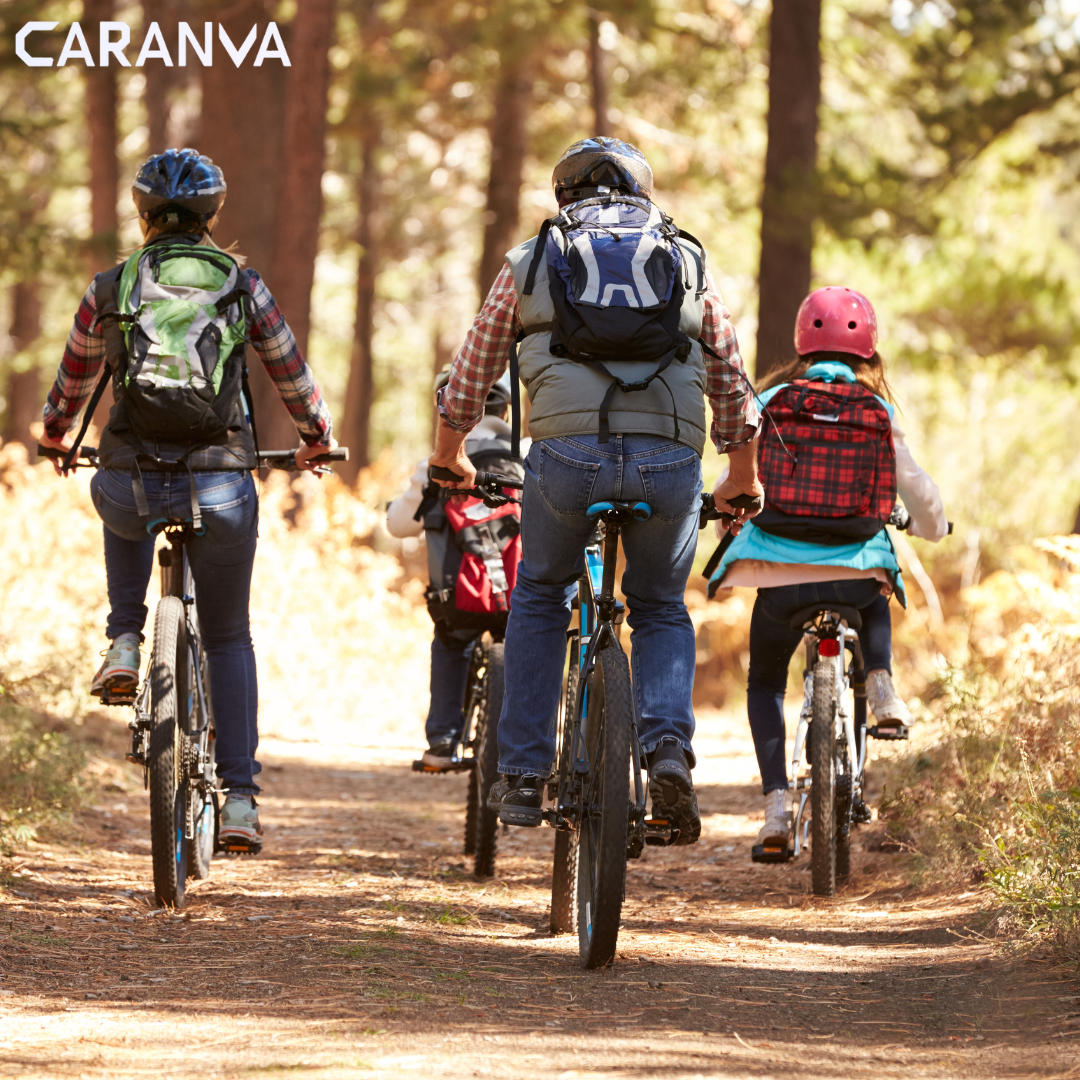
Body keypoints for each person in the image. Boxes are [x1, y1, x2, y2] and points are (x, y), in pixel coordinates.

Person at [429, 137, 762, 843]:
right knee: (662, 607)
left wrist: (448, 457)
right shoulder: (687, 257)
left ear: (564, 198)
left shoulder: (532, 259)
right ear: (644, 195)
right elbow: (730, 375)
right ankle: (667, 750)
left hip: (565, 458)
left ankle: (520, 774)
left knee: (542, 593)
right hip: (669, 460)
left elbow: (469, 377)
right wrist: (742, 472)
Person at [39, 148, 336, 852]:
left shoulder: (112, 286)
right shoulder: (242, 284)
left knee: (123, 495)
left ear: (142, 215)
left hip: (129, 475)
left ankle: (123, 636)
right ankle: (238, 801)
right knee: (229, 635)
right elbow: (290, 373)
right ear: (212, 217)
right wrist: (317, 438)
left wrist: (56, 437)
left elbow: (73, 381)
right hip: (221, 478)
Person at [706, 286, 948, 853]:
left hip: (779, 575)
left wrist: (726, 526)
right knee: (877, 589)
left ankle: (773, 810)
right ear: (867, 351)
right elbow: (920, 493)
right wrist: (934, 528)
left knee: (765, 683)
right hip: (854, 570)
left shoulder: (771, 402)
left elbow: (736, 482)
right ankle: (881, 684)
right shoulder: (878, 411)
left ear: (801, 344)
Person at [386, 370, 527, 767]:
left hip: (459, 596)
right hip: (522, 594)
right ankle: (526, 750)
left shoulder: (436, 464)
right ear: (504, 408)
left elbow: (399, 525)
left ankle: (444, 742)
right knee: (530, 645)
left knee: (451, 640)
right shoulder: (528, 453)